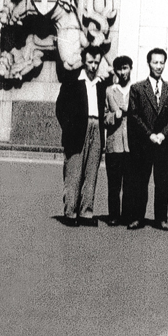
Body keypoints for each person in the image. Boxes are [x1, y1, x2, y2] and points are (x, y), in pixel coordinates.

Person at [127, 48, 168, 231]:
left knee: (163, 183)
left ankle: (161, 219)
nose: (158, 66)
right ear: (148, 63)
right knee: (140, 182)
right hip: (143, 144)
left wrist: (163, 134)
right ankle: (137, 217)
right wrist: (149, 134)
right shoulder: (137, 88)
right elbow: (134, 116)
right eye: (155, 62)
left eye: (161, 62)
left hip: (164, 145)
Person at [55, 47, 110, 227]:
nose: (93, 66)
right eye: (90, 62)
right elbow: (60, 108)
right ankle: (70, 212)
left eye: (96, 63)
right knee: (74, 172)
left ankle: (86, 212)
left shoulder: (101, 85)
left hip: (97, 128)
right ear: (83, 61)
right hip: (78, 129)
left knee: (91, 171)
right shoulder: (72, 81)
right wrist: (69, 129)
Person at [104, 55, 133, 225]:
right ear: (115, 71)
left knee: (129, 184)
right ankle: (114, 215)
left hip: (131, 146)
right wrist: (115, 115)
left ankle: (127, 215)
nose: (123, 72)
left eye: (125, 68)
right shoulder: (109, 91)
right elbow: (104, 117)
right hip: (114, 145)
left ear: (130, 69)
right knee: (114, 184)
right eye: (119, 69)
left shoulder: (136, 90)